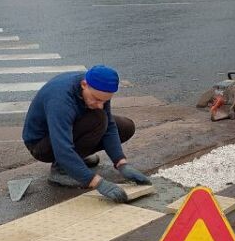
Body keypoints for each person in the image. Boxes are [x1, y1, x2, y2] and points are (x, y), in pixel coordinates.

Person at [22, 65, 151, 202]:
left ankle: (76, 159)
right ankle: (61, 169)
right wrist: (95, 182)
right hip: (42, 145)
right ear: (84, 85)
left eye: (104, 101)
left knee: (125, 127)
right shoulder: (61, 100)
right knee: (98, 119)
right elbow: (62, 148)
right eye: (97, 99)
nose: (100, 105)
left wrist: (121, 162)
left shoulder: (98, 87)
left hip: (68, 132)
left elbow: (110, 127)